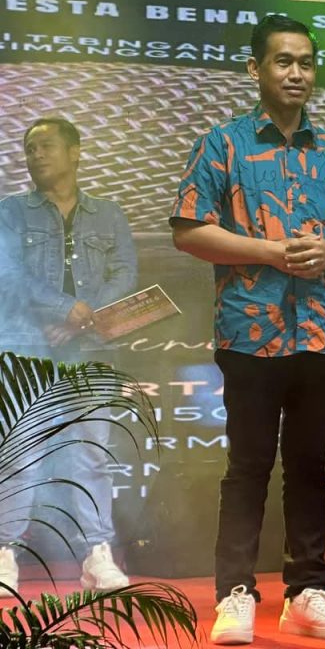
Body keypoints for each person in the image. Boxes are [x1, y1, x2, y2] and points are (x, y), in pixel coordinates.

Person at [170, 15, 325, 643]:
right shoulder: (222, 144)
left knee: (310, 463)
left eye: (306, 63)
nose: (297, 73)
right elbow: (188, 231)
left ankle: (307, 590)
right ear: (255, 69)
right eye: (284, 61)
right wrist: (270, 252)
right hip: (250, 333)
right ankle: (235, 592)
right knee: (249, 465)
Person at [0, 117, 136, 594]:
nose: (36, 155)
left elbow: (124, 273)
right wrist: (63, 308)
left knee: (90, 454)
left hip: (90, 349)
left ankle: (97, 554)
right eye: (30, 148)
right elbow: (8, 273)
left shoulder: (108, 214)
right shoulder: (11, 212)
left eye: (46, 146)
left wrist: (83, 317)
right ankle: (5, 554)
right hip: (25, 346)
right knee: (21, 454)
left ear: (75, 152)